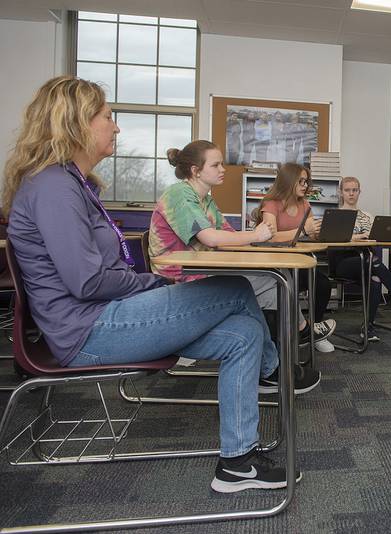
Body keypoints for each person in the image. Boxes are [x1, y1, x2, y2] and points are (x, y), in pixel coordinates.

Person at [3, 75, 305, 493]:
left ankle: (237, 463)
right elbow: (87, 280)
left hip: (105, 316)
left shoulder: (71, 184)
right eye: (108, 117)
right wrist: (151, 285)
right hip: (90, 329)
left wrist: (147, 286)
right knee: (235, 288)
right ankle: (277, 372)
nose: (116, 126)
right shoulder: (54, 186)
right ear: (75, 123)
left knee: (244, 334)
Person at [148, 139, 335, 350]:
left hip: (205, 270)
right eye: (215, 165)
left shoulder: (206, 200)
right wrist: (257, 234)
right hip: (183, 279)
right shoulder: (179, 194)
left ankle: (280, 354)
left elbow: (229, 236)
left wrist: (258, 241)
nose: (223, 168)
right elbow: (211, 238)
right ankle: (297, 337)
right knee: (278, 282)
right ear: (196, 170)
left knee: (278, 280)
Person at [253, 163, 337, 352]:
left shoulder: (304, 204)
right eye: (300, 181)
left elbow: (308, 234)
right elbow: (269, 235)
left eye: (306, 181)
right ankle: (302, 331)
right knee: (286, 287)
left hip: (296, 261)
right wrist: (303, 231)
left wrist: (316, 232)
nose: (305, 185)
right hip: (273, 265)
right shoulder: (271, 204)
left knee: (322, 284)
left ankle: (313, 331)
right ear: (288, 181)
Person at [331, 176, 391, 341]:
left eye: (355, 190)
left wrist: (390, 236)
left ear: (359, 192)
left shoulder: (367, 216)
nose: (351, 194)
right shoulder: (336, 215)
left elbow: (377, 237)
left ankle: (368, 327)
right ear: (341, 193)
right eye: (347, 190)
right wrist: (361, 236)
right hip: (342, 263)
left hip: (366, 261)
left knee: (376, 278)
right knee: (373, 260)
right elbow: (334, 239)